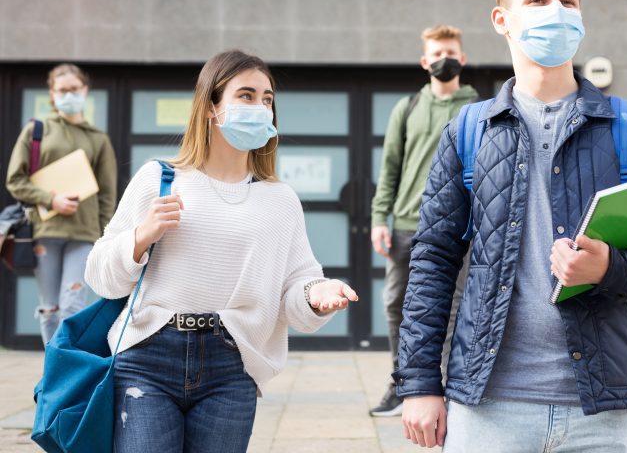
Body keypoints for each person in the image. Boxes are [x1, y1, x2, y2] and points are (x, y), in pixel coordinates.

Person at [396, 0, 627, 452]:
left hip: (602, 411)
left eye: (568, 0)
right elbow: (432, 261)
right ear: (503, 19)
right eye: (537, 0)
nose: (556, 12)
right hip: (488, 405)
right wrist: (420, 385)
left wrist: (612, 268)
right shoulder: (469, 132)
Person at [84, 49, 359, 452]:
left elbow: (297, 289)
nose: (261, 107)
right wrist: (140, 237)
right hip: (146, 359)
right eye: (246, 96)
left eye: (267, 99)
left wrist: (315, 296)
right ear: (211, 108)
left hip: (231, 364)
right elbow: (99, 276)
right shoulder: (158, 179)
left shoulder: (279, 200)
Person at [369, 25, 478, 417]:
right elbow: (390, 168)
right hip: (405, 224)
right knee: (397, 304)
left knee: (453, 308)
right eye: (435, 53)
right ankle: (401, 383)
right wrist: (380, 217)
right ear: (424, 61)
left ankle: (445, 385)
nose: (442, 59)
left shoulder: (477, 110)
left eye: (449, 52)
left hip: (458, 228)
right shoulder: (408, 107)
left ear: (462, 59)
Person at [5, 63, 117, 344]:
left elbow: (107, 194)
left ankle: (66, 368)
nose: (69, 95)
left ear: (85, 91)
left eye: (74, 89)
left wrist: (105, 235)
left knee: (72, 306)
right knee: (49, 307)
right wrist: (50, 199)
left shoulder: (98, 138)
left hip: (84, 234)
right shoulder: (36, 130)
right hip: (46, 231)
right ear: (52, 94)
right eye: (62, 90)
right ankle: (53, 370)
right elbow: (15, 180)